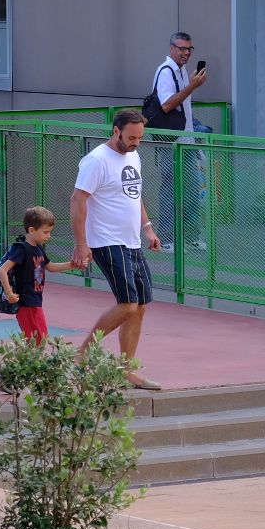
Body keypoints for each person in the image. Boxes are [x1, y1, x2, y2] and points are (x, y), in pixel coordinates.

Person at [71, 110, 164, 390]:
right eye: (131, 137)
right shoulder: (97, 161)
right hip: (106, 241)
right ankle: (81, 356)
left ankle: (126, 370)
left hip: (131, 240)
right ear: (115, 131)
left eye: (139, 138)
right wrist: (81, 244)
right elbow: (77, 200)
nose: (135, 142)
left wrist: (147, 227)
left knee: (140, 307)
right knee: (127, 304)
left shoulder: (133, 155)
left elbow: (134, 194)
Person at [150, 32, 211, 251]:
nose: (186, 53)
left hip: (185, 138)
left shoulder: (182, 71)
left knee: (192, 190)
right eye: (182, 48)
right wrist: (192, 86)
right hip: (171, 141)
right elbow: (166, 105)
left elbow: (184, 107)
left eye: (189, 49)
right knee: (170, 190)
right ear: (171, 48)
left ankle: (191, 235)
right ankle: (166, 239)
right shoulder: (166, 71)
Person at [0, 206, 77, 345]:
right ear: (32, 230)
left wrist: (72, 265)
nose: (49, 236)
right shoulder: (22, 249)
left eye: (50, 232)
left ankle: (30, 365)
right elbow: (2, 270)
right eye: (45, 232)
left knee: (41, 338)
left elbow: (50, 267)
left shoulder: (38, 248)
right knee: (34, 341)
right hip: (25, 303)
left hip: (36, 301)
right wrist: (9, 294)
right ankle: (23, 365)